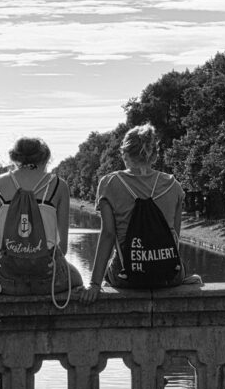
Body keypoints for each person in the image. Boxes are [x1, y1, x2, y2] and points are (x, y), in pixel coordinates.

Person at [81, 123, 200, 304]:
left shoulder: (109, 183)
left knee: (109, 274)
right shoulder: (173, 185)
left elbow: (108, 235)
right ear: (154, 155)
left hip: (127, 276)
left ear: (125, 154)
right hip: (170, 276)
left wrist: (94, 284)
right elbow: (174, 236)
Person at [0, 136, 83, 297]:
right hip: (48, 280)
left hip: (8, 282)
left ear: (14, 157)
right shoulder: (59, 185)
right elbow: (63, 248)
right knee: (77, 278)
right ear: (45, 157)